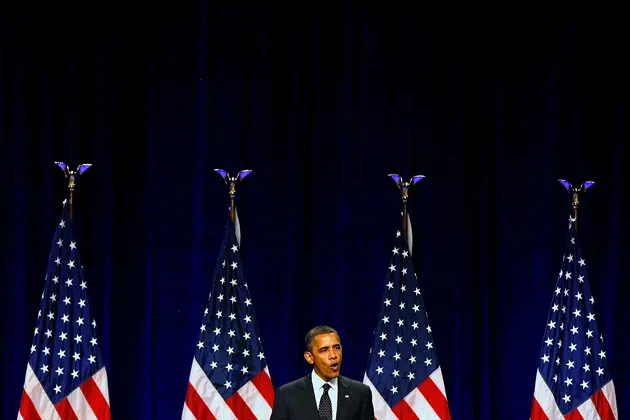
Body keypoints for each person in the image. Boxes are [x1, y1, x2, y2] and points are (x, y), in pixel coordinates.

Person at [270, 325, 374, 420]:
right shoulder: (287, 395)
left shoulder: (361, 393)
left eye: (336, 348)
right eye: (324, 350)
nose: (333, 355)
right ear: (309, 357)